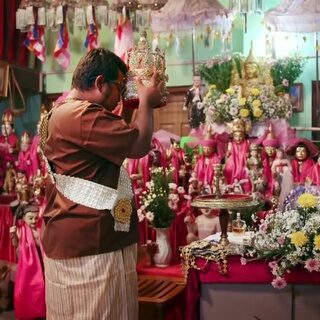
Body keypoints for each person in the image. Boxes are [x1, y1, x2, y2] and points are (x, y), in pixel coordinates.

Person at [40, 48, 163, 319]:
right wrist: (147, 103)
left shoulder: (61, 112)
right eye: (120, 87)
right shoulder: (84, 115)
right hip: (91, 242)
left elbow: (119, 138)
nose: (121, 94)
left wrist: (131, 109)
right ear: (99, 83)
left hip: (74, 234)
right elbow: (139, 144)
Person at [9, 203, 45, 319]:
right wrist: (13, 235)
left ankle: (42, 310)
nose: (34, 221)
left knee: (43, 287)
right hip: (27, 265)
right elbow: (16, 246)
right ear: (23, 218)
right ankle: (29, 311)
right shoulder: (21, 230)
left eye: (35, 217)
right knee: (26, 288)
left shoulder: (40, 228)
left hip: (42, 260)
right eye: (30, 218)